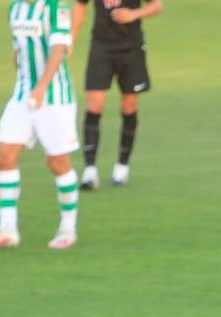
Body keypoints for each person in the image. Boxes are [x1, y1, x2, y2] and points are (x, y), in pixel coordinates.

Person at [0, 1, 82, 251]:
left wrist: (42, 87)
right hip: (23, 94)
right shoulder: (15, 8)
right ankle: (7, 230)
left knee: (58, 163)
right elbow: (19, 50)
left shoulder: (56, 7)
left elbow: (59, 49)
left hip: (54, 97)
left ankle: (68, 228)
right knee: (4, 155)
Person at [72, 0, 162, 189]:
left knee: (129, 106)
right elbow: (79, 6)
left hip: (132, 49)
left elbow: (156, 6)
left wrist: (134, 14)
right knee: (94, 105)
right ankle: (90, 170)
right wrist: (70, 40)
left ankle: (122, 166)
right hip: (101, 48)